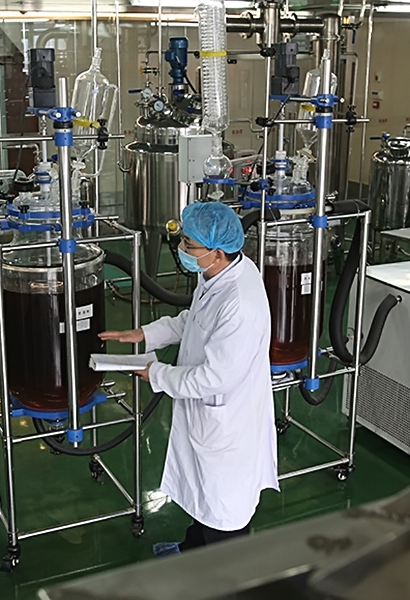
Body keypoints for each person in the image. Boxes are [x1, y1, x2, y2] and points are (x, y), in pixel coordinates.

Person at [100, 202, 279, 556]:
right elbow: (193, 319)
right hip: (206, 416)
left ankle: (222, 579)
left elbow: (214, 378)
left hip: (226, 424)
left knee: (223, 514)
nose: (181, 249)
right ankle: (191, 549)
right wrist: (145, 334)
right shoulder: (217, 273)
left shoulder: (240, 303)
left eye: (189, 245)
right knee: (203, 498)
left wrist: (156, 373)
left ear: (217, 251)